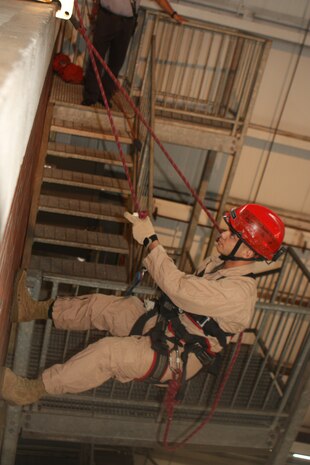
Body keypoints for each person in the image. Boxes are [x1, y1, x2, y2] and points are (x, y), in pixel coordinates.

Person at [0, 204, 285, 406]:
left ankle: (30, 391)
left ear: (248, 250)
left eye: (233, 234)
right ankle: (31, 310)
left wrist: (151, 241)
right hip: (167, 328)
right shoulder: (217, 265)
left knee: (108, 354)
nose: (222, 234)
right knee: (106, 307)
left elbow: (180, 289)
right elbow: (182, 290)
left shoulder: (238, 294)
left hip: (179, 356)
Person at [82, 0, 186, 106]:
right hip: (106, 16)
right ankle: (90, 96)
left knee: (117, 62)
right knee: (96, 57)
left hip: (127, 22)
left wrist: (173, 14)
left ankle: (104, 95)